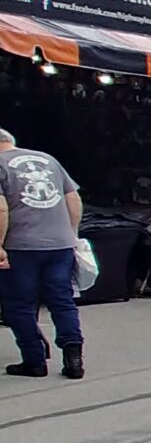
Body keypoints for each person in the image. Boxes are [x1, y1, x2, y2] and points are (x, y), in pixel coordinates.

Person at [0, 125, 86, 382]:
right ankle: (74, 357)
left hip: (20, 246)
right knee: (62, 300)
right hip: (60, 244)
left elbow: (1, 210)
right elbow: (73, 198)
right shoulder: (47, 159)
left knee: (19, 304)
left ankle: (34, 360)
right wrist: (71, 233)